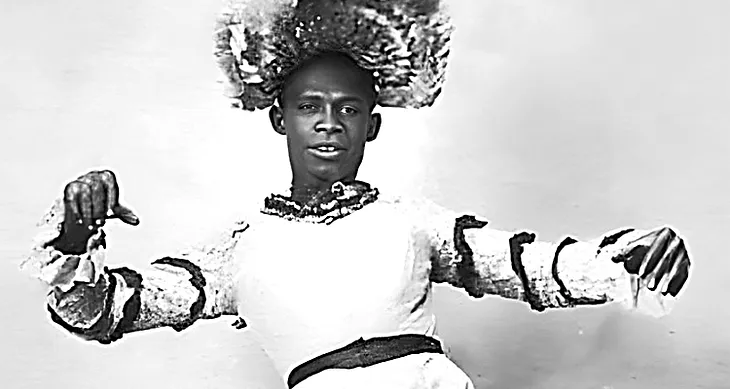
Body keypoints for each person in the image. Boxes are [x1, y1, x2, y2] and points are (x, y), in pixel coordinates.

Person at [20, 1, 692, 388]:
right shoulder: (237, 251)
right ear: (279, 117)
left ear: (372, 123)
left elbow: (526, 266)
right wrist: (77, 238)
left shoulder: (413, 223)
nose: (328, 122)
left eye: (347, 108)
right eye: (310, 105)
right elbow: (104, 310)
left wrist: (627, 261)